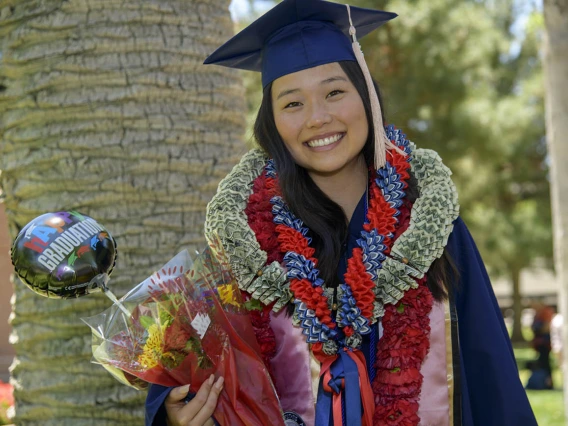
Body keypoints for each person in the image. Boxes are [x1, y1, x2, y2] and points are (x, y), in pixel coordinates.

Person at [145, 0, 537, 425]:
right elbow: (191, 362)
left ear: (367, 97)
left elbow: (488, 370)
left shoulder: (429, 224)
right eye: (292, 103)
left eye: (334, 92)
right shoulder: (243, 242)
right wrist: (173, 414)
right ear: (271, 121)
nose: (318, 118)